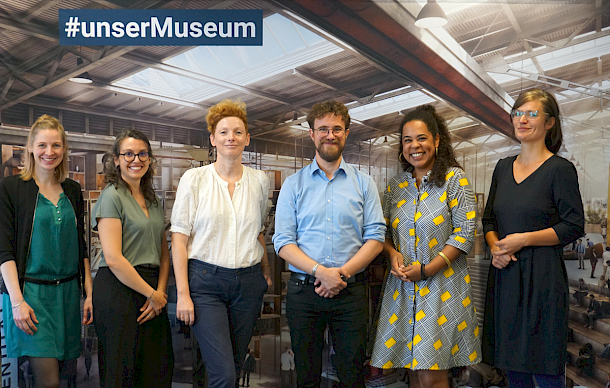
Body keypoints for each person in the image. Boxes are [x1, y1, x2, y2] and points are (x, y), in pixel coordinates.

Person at [273, 100, 386, 388]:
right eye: (323, 129)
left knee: (351, 374)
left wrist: (341, 274)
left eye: (337, 129)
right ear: (311, 133)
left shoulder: (364, 183)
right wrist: (319, 272)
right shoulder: (293, 184)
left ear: (346, 133)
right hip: (304, 292)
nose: (330, 135)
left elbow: (375, 238)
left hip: (351, 293)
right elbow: (283, 242)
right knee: (307, 375)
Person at [370, 104, 480, 388]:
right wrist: (391, 253)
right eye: (407, 140)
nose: (414, 146)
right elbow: (379, 231)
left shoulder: (454, 180)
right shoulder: (396, 187)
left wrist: (428, 269)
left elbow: (465, 232)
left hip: (441, 288)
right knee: (415, 375)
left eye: (421, 138)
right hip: (403, 289)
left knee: (432, 376)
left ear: (436, 140)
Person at [482, 88, 584, 388]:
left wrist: (522, 239)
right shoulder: (502, 168)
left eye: (531, 113)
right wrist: (495, 248)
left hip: (542, 281)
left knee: (545, 368)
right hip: (506, 277)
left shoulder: (560, 170)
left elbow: (573, 225)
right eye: (517, 113)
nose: (522, 119)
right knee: (513, 371)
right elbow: (489, 219)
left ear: (549, 123)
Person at [171, 99, 272, 388]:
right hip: (205, 283)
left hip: (248, 283)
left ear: (247, 138)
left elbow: (258, 230)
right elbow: (179, 239)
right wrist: (183, 294)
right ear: (213, 139)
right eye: (224, 132)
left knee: (234, 367)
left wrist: (265, 272)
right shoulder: (195, 179)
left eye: (238, 132)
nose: (231, 138)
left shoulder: (259, 181)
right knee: (224, 374)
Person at [0, 115, 93, 388]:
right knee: (48, 381)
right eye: (42, 145)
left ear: (64, 149)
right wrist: (17, 301)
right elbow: (3, 250)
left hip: (67, 295)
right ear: (30, 147)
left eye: (56, 145)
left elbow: (81, 245)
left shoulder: (73, 191)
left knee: (67, 376)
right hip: (30, 297)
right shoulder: (11, 189)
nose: (49, 152)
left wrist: (88, 292)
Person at [92, 129, 174, 386]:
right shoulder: (112, 195)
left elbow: (163, 253)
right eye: (128, 154)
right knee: (121, 372)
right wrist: (153, 295)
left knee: (157, 369)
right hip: (118, 289)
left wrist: (159, 294)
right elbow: (114, 258)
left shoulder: (152, 199)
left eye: (142, 154)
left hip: (152, 290)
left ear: (149, 159)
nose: (135, 159)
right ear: (116, 159)